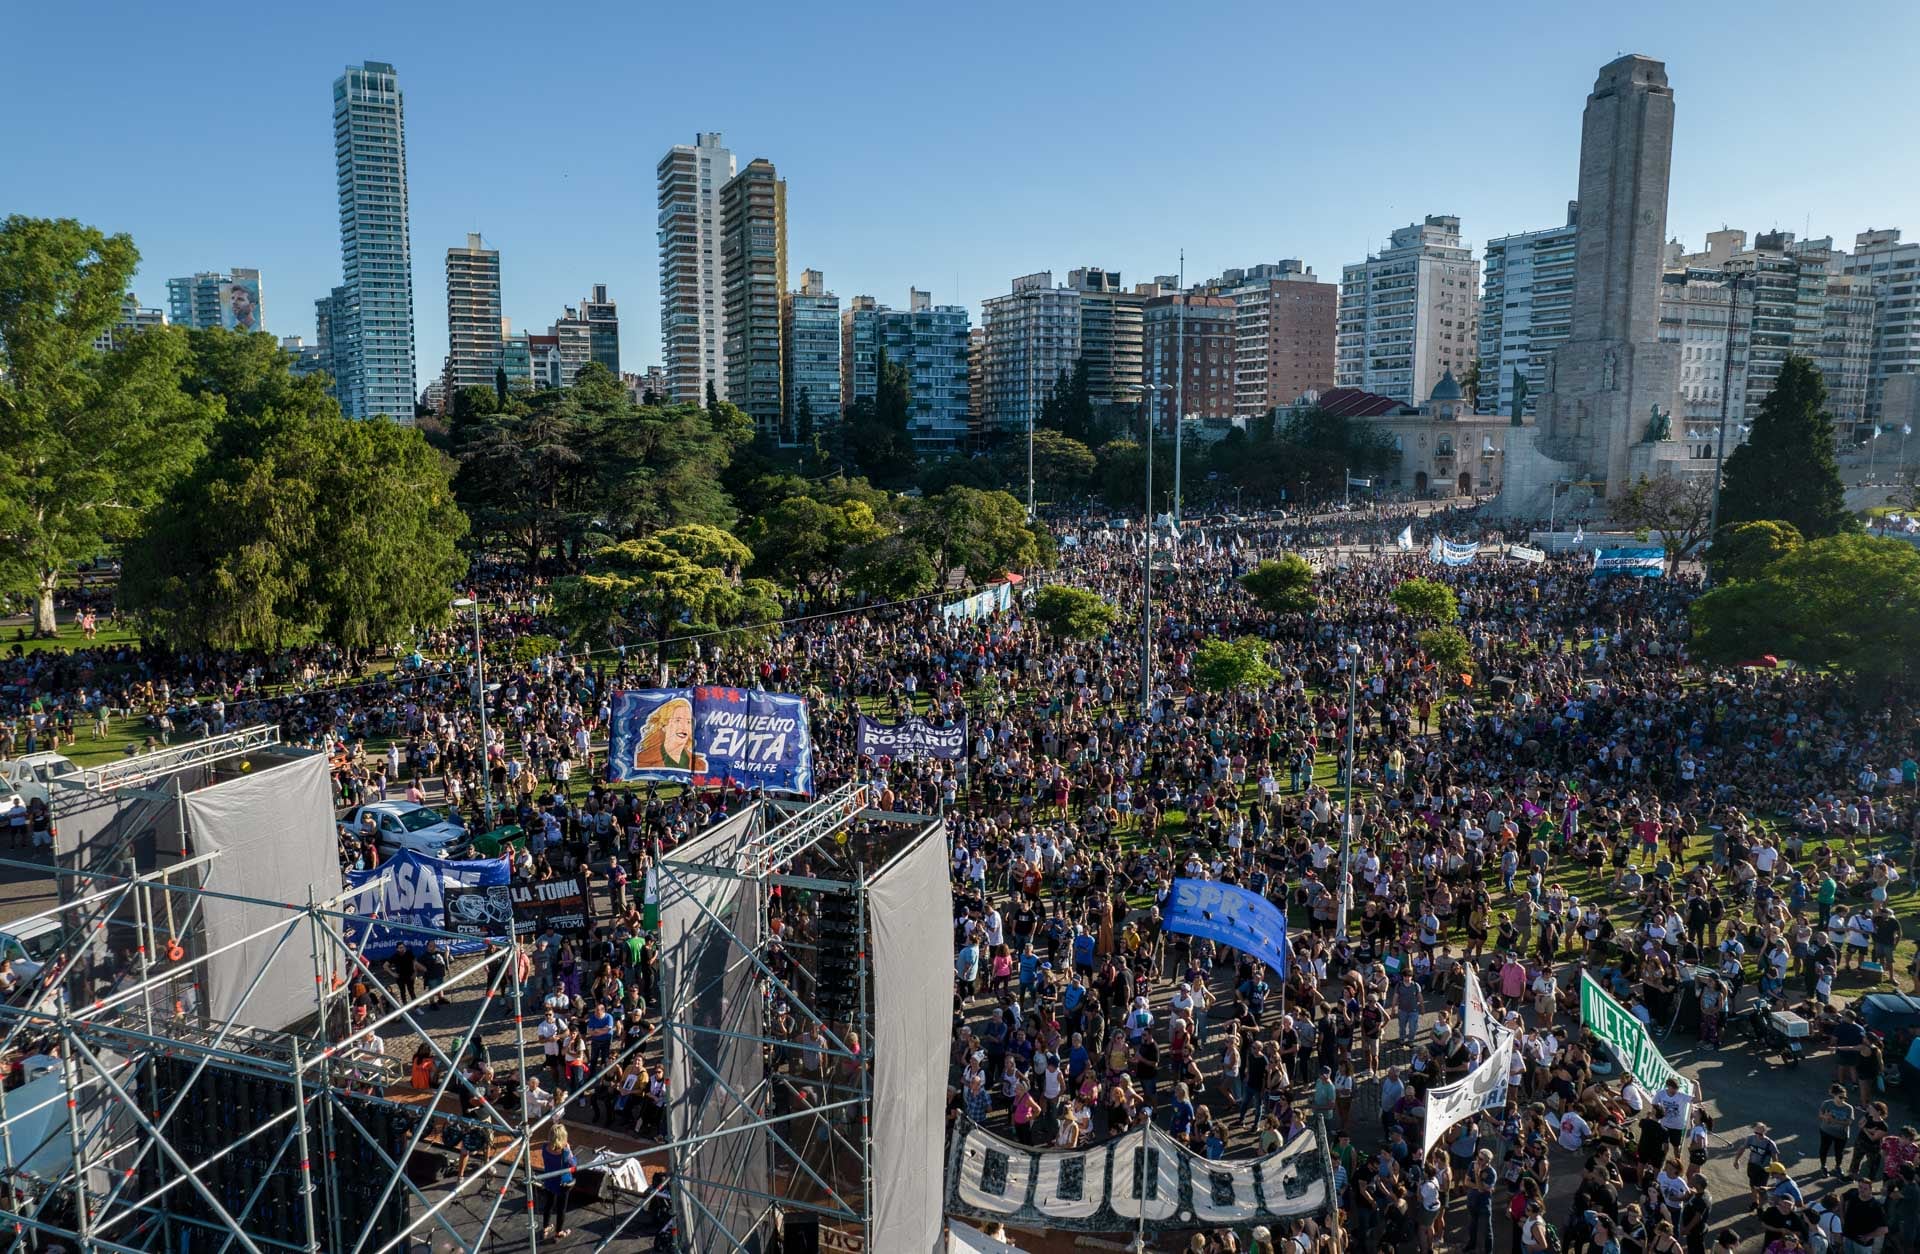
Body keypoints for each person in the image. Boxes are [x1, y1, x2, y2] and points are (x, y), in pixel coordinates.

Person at [538, 1126, 577, 1240]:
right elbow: (574, 1165)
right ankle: (558, 1232)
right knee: (561, 1208)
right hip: (563, 1184)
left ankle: (545, 1227)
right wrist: (569, 1151)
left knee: (548, 1205)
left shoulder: (545, 1147)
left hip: (549, 1181)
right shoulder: (564, 1152)